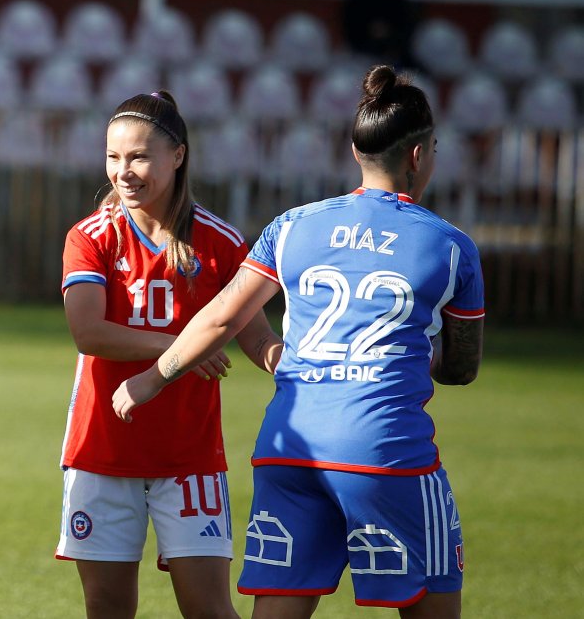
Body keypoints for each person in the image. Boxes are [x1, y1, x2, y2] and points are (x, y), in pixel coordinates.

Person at [113, 66, 484, 619]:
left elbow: (222, 317)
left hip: (289, 452)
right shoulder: (450, 246)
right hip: (387, 454)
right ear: (418, 156)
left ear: (357, 153)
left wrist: (150, 379)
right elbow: (460, 367)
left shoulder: (292, 226)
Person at [57, 91, 283, 619]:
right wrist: (184, 348)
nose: (124, 171)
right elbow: (87, 331)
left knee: (208, 608)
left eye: (138, 157)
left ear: (177, 155)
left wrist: (302, 365)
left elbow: (256, 339)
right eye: (113, 157)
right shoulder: (90, 237)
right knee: (108, 609)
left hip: (190, 457)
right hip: (103, 452)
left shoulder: (220, 242)